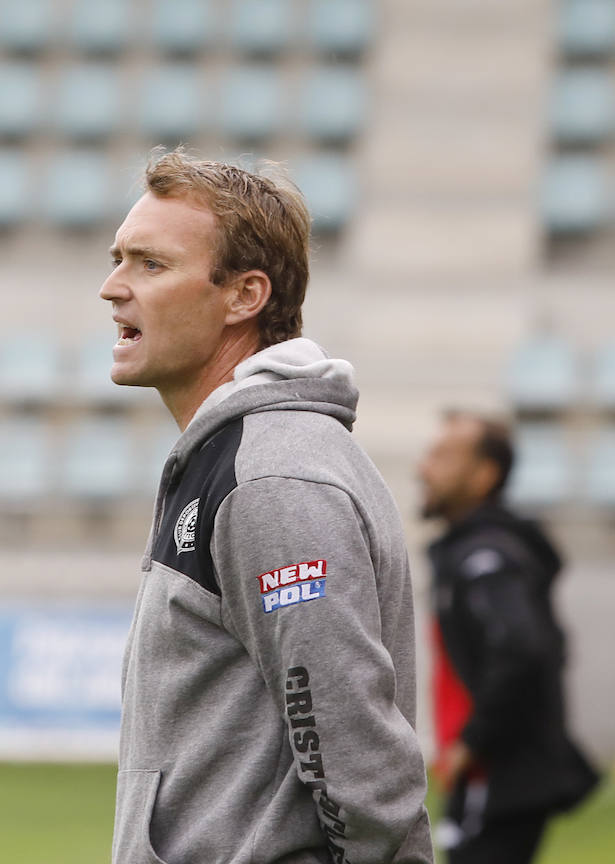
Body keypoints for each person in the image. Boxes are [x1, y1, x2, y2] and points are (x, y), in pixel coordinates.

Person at [104, 150, 433, 864]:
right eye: (118, 259)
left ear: (244, 296)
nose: (112, 288)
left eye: (150, 264)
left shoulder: (273, 477)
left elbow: (355, 753)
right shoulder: (240, 454)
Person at [418, 411, 597, 864]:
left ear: (484, 476)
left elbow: (523, 648)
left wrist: (471, 742)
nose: (424, 467)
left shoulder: (487, 557)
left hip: (496, 777)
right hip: (486, 778)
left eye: (443, 456)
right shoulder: (469, 551)